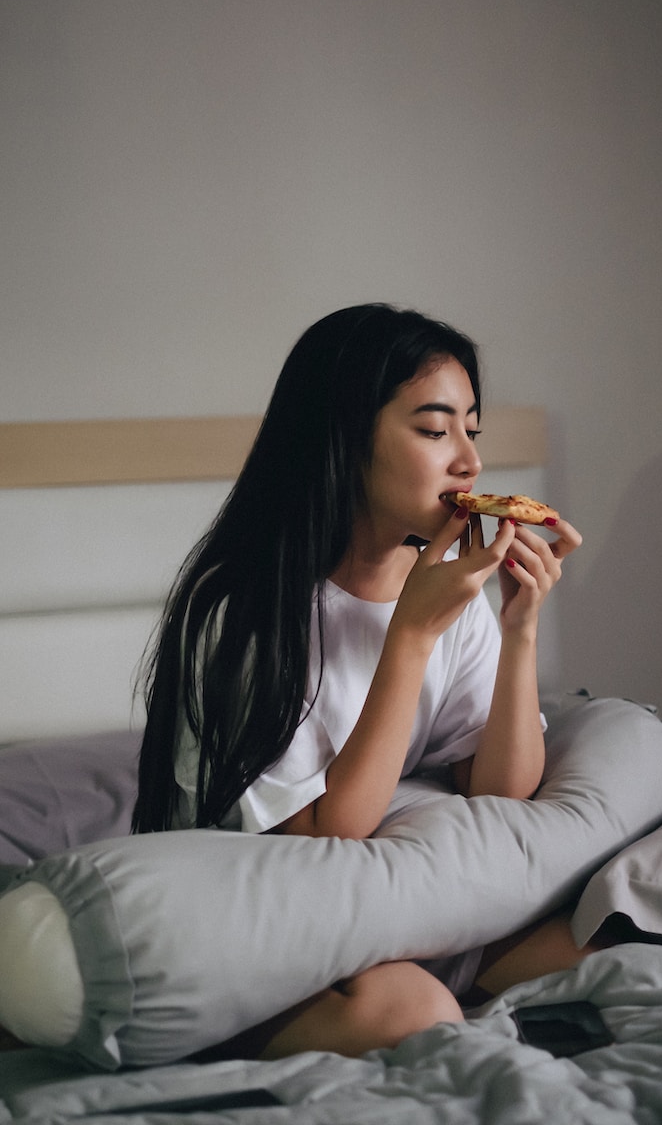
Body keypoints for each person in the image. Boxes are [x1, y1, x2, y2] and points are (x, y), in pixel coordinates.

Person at [132, 303, 587, 1059]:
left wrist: (519, 630)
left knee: (594, 957)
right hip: (242, 905)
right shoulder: (247, 612)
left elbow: (502, 793)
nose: (469, 461)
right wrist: (408, 637)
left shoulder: (447, 584)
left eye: (473, 429)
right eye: (436, 430)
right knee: (409, 1011)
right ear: (343, 440)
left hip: (378, 907)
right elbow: (326, 837)